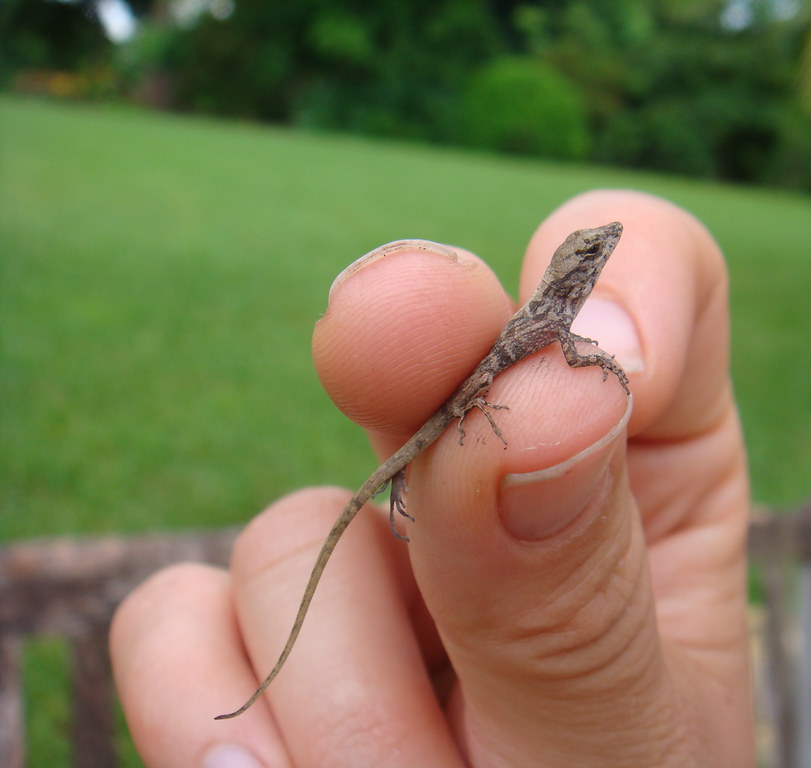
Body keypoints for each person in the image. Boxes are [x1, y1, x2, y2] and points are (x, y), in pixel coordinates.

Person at [109, 189, 754, 767]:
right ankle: (403, 481)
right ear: (576, 268)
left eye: (596, 248)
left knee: (426, 453)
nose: (603, 249)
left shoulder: (557, 309)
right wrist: (594, 362)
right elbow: (570, 349)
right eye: (591, 250)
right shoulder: (554, 313)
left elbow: (567, 346)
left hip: (479, 410)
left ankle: (404, 481)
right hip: (470, 398)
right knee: (429, 441)